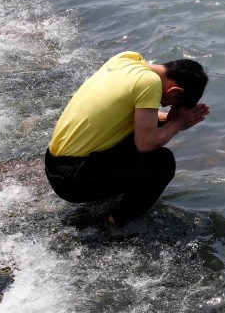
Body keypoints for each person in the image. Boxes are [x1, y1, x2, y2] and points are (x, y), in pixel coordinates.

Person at [44, 51, 210, 227]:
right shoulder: (150, 84)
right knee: (162, 163)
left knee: (146, 133)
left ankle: (107, 197)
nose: (164, 106)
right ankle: (111, 224)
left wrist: (170, 120)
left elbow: (139, 118)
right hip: (70, 180)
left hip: (54, 163)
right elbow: (145, 144)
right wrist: (178, 124)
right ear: (175, 90)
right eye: (169, 103)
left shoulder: (127, 60)